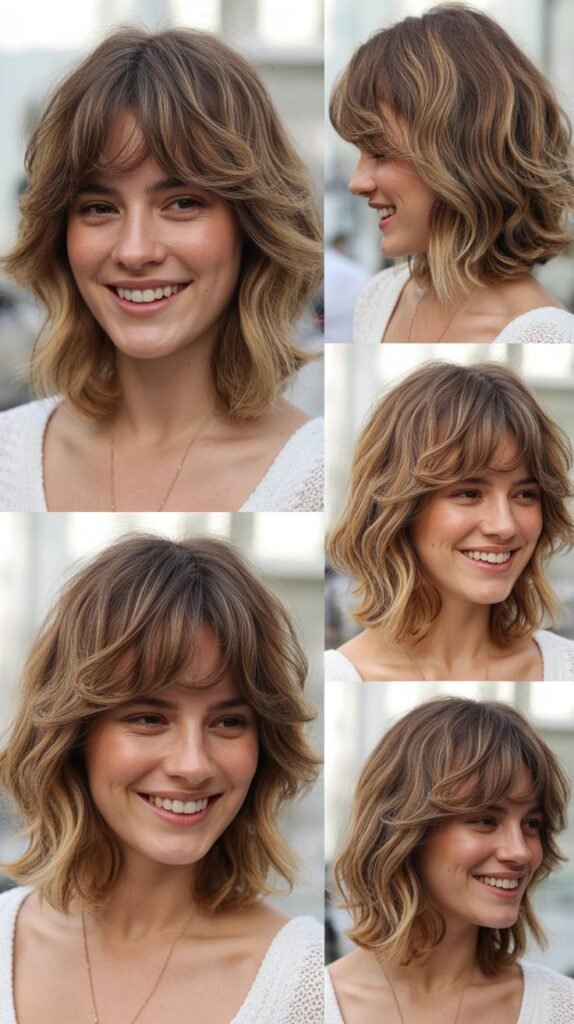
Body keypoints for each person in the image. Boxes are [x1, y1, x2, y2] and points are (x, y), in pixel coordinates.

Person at [0, 534, 323, 1023]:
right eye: (149, 718)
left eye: (229, 722)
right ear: (75, 733)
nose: (193, 765)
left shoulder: (307, 983)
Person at [0, 27, 323, 512]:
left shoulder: (314, 477)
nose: (134, 251)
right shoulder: (11, 453)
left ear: (252, 224)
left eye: (182, 203)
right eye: (98, 208)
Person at [329, 4, 574, 343]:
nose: (357, 183)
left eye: (380, 152)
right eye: (360, 153)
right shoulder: (380, 298)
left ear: (460, 152)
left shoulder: (544, 336)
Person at [326, 696, 574, 1024]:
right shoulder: (309, 1005)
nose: (520, 852)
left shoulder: (561, 1008)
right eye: (486, 820)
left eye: (532, 824)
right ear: (406, 829)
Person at [325, 361, 574, 681]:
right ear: (400, 507)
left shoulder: (563, 668)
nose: (505, 526)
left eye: (524, 494)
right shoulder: (340, 677)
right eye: (469, 493)